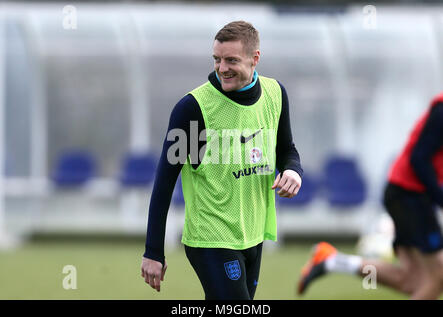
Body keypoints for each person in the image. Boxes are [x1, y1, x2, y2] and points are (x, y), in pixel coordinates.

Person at [140, 21, 303, 300]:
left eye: (231, 60)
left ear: (255, 59)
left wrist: (293, 171)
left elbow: (287, 149)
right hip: (210, 238)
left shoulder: (276, 94)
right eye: (217, 59)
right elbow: (165, 181)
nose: (222, 67)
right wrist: (153, 250)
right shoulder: (192, 108)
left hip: (253, 236)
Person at [297, 93, 443, 299]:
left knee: (411, 280)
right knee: (437, 277)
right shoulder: (441, 110)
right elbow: (419, 159)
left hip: (406, 194)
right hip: (410, 195)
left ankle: (331, 261)